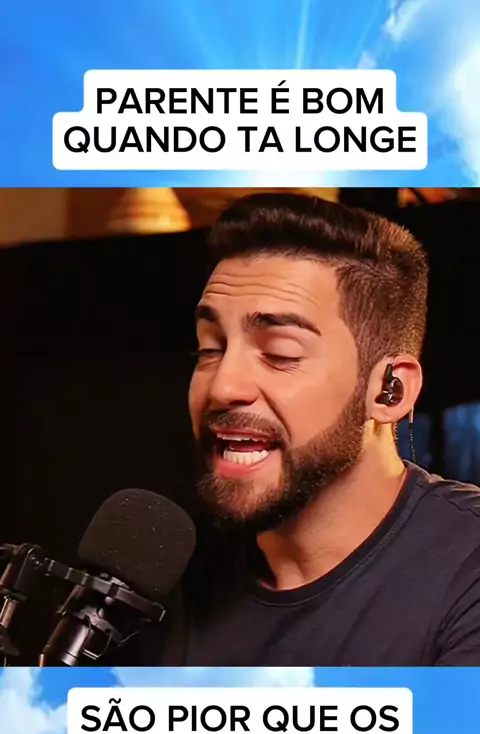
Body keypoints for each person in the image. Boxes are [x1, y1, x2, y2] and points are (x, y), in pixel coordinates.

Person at [132, 191, 480, 666]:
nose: (223, 386)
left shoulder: (466, 566)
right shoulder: (169, 577)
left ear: (389, 391)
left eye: (280, 353)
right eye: (209, 348)